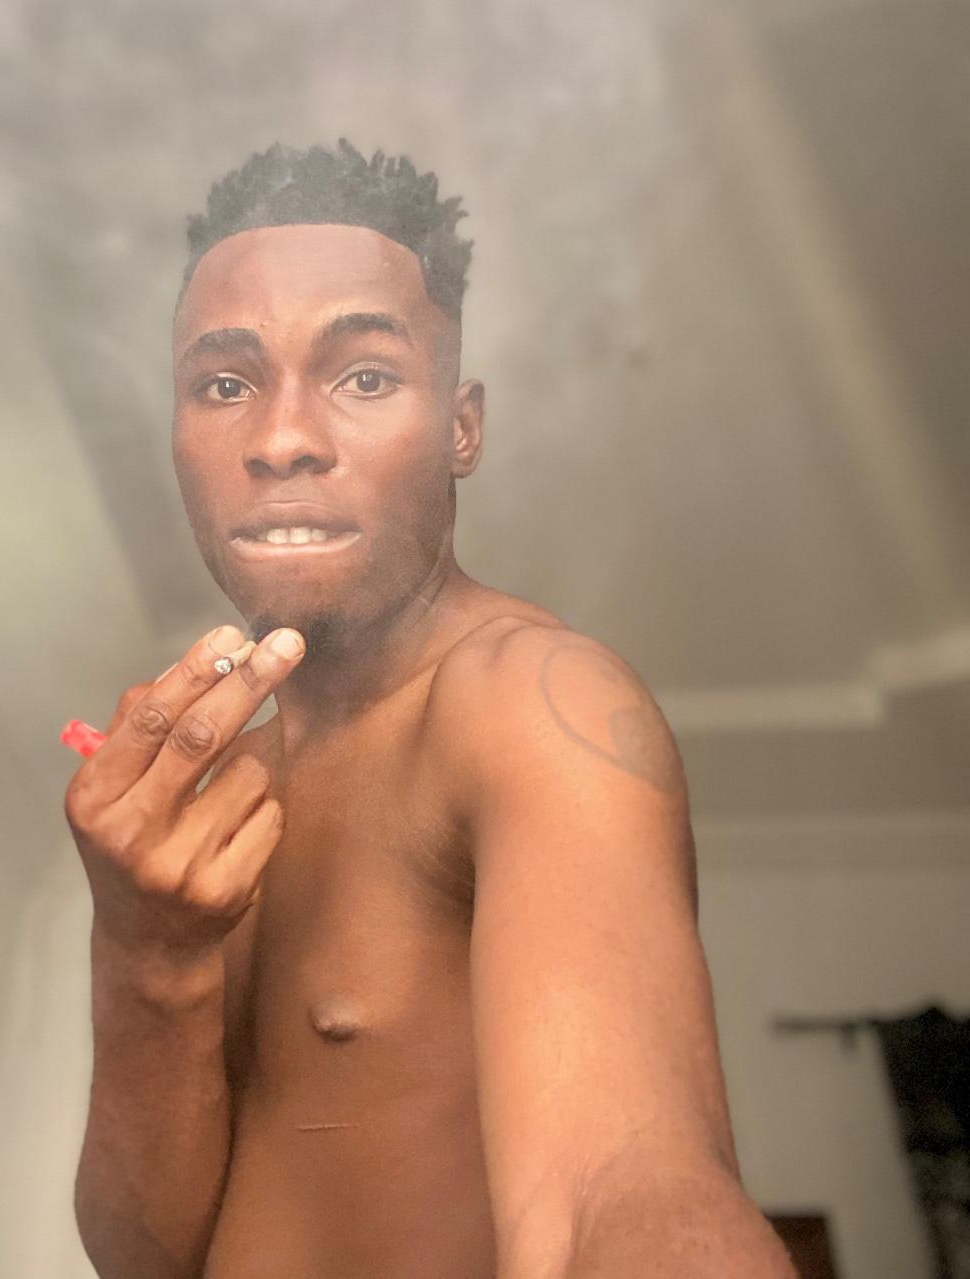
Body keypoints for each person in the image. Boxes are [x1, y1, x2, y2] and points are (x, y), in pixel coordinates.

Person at [64, 141, 797, 1279]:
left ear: (462, 427)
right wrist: (146, 955)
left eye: (362, 377)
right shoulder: (208, 807)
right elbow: (147, 1260)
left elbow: (625, 1187)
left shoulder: (529, 701)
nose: (282, 439)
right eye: (226, 384)